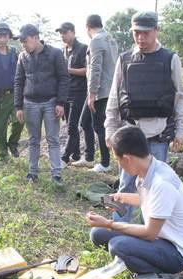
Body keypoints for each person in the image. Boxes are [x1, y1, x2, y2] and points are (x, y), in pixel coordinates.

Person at [105, 11, 183, 222]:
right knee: (126, 183)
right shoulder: (124, 60)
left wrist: (180, 130)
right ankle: (118, 227)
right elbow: (114, 98)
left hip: (159, 134)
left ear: (156, 31)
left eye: (146, 33)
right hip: (131, 134)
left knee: (155, 186)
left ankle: (149, 230)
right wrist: (110, 130)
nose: (141, 38)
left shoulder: (170, 59)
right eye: (136, 33)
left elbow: (179, 97)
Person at [87, 125, 183, 274]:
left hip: (176, 253)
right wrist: (122, 198)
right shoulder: (148, 169)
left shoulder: (162, 183)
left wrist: (109, 223)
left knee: (117, 245)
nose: (119, 165)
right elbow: (150, 200)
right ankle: (137, 258)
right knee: (97, 233)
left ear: (127, 159)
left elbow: (149, 233)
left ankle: (157, 277)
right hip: (158, 239)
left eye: (118, 160)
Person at [14, 24, 69, 185]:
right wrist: (18, 107)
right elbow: (18, 81)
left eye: (25, 40)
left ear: (36, 37)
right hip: (30, 103)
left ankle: (56, 174)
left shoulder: (55, 53)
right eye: (21, 41)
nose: (23, 44)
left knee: (53, 139)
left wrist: (61, 102)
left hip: (51, 102)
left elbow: (64, 78)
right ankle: (32, 173)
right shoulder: (22, 56)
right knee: (33, 139)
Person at [71, 14, 118, 172]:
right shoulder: (110, 39)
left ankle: (105, 163)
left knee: (99, 125)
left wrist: (92, 94)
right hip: (108, 88)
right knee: (85, 122)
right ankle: (89, 158)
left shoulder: (96, 41)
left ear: (87, 27)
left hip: (100, 91)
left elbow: (95, 68)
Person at [0, 22, 24, 160]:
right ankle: (3, 154)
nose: (2, 39)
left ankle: (13, 144)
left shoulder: (15, 53)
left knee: (19, 120)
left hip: (15, 94)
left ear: (9, 37)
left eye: (5, 36)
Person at [56, 22, 88, 167]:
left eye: (65, 32)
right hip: (65, 93)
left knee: (72, 126)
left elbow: (87, 70)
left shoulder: (83, 49)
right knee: (69, 124)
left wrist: (68, 70)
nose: (63, 35)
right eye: (61, 33)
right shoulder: (62, 51)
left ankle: (64, 157)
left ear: (73, 32)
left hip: (79, 92)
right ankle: (75, 154)